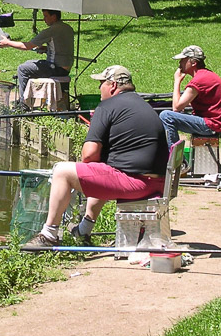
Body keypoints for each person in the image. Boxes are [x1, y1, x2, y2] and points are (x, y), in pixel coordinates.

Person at [24, 65, 169, 248]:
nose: (99, 87)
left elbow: (89, 154)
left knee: (62, 171)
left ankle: (49, 235)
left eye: (101, 83)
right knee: (100, 169)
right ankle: (83, 231)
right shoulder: (142, 105)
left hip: (136, 184)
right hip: (157, 183)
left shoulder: (107, 106)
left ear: (113, 85)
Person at [159, 45, 221, 153]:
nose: (180, 64)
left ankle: (176, 159)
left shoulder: (199, 80)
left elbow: (176, 107)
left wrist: (177, 81)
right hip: (216, 122)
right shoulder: (206, 75)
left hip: (212, 124)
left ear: (193, 63)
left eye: (183, 60)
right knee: (170, 115)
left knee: (166, 116)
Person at [0, 9, 74, 109]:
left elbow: (27, 46)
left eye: (45, 16)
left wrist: (8, 43)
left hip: (56, 68)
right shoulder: (67, 28)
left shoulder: (51, 30)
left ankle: (24, 104)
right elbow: (62, 47)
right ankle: (26, 99)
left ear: (53, 16)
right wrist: (46, 48)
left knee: (22, 69)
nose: (43, 19)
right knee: (29, 63)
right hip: (65, 68)